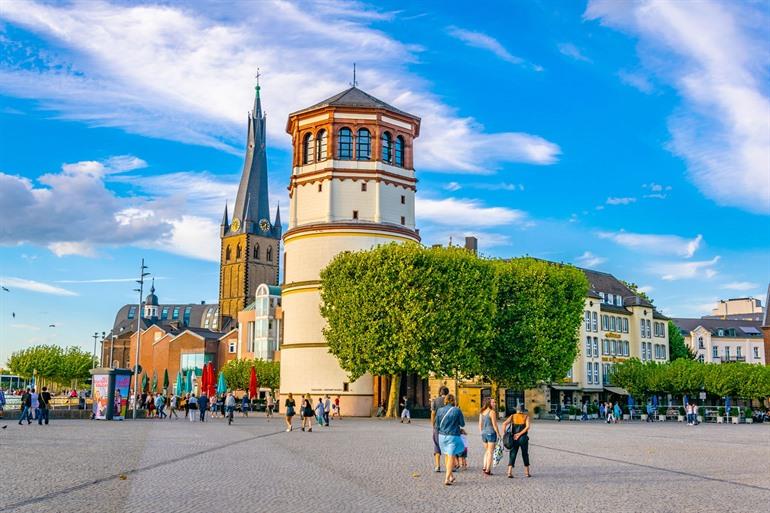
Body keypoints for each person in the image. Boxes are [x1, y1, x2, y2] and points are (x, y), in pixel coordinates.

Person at [435, 394, 465, 486]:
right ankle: (447, 479)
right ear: (454, 401)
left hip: (442, 436)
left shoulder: (439, 410)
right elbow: (462, 424)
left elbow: (437, 425)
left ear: (445, 400)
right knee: (451, 456)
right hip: (453, 436)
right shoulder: (457, 410)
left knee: (447, 455)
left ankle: (451, 476)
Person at [502, 404, 531, 478]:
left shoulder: (512, 416)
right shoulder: (526, 417)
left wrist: (506, 433)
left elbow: (504, 424)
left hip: (514, 438)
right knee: (525, 454)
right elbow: (527, 427)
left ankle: (509, 472)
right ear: (523, 410)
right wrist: (520, 434)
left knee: (513, 454)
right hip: (523, 438)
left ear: (517, 410)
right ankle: (527, 472)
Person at [478, 397, 501, 475]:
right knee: (490, 452)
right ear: (489, 403)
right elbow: (494, 425)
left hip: (484, 433)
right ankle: (488, 470)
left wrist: (481, 432)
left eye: (495, 402)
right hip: (491, 433)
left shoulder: (482, 412)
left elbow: (480, 424)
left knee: (487, 451)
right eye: (493, 402)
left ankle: (484, 466)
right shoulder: (492, 412)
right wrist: (498, 434)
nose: (495, 404)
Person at [430, 386, 449, 473]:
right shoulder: (450, 400)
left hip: (437, 426)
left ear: (439, 392)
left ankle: (437, 466)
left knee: (437, 445)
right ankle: (450, 466)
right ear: (447, 392)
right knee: (448, 445)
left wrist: (433, 424)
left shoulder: (435, 401)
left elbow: (433, 413)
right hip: (448, 426)